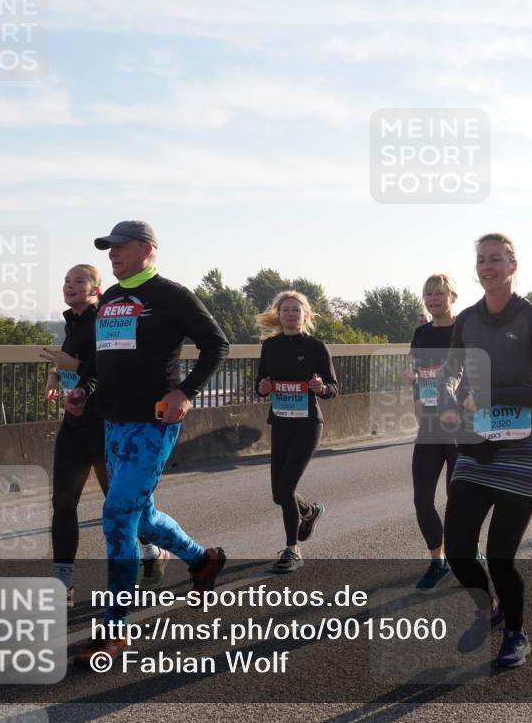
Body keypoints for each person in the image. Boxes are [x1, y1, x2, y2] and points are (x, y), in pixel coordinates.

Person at [69, 220, 230, 666]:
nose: (112, 255)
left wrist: (185, 392)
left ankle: (113, 630)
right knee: (142, 516)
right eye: (109, 249)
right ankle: (203, 559)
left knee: (118, 515)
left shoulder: (171, 295)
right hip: (113, 423)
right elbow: (105, 359)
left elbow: (217, 345)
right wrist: (84, 389)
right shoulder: (110, 301)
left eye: (120, 248)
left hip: (153, 424)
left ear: (146, 249)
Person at [438, 233, 532, 669]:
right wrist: (448, 397)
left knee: (500, 555)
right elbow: (452, 372)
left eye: (495, 259)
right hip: (476, 447)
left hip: (524, 449)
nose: (487, 266)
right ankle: (488, 608)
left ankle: (516, 631)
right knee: (457, 549)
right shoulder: (468, 320)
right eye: (481, 260)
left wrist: (489, 393)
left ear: (512, 265)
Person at [43, 265, 169, 609]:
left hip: (104, 426)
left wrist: (78, 377)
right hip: (73, 426)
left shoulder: (105, 320)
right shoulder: (74, 321)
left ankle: (151, 551)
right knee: (63, 504)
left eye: (78, 281)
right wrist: (58, 375)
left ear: (96, 290)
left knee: (120, 506)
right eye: (66, 280)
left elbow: (104, 367)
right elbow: (75, 358)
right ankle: (63, 583)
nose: (69, 285)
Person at [255, 291, 338, 573]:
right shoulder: (270, 346)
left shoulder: (316, 347)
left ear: (306, 315)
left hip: (307, 425)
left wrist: (320, 388)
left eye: (296, 310)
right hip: (280, 423)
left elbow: (333, 388)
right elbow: (260, 383)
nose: (290, 314)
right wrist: (263, 388)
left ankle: (292, 550)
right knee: (279, 494)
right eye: (286, 310)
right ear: (279, 315)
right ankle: (309, 511)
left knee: (287, 488)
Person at [404, 274, 459, 591]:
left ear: (452, 296)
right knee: (422, 499)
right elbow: (418, 375)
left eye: (439, 293)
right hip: (429, 427)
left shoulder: (465, 329)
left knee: (458, 499)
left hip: (460, 427)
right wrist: (414, 395)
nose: (434, 298)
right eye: (429, 294)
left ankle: (463, 551)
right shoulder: (421, 333)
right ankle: (437, 560)